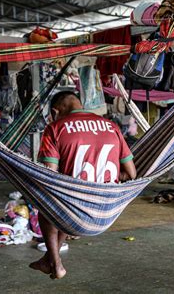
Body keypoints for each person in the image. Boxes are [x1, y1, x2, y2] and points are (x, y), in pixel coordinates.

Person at [30, 91, 136, 279]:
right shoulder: (111, 126)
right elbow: (131, 174)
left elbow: (50, 178)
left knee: (47, 204)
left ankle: (55, 263)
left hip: (76, 209)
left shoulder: (55, 128)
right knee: (66, 205)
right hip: (106, 212)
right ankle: (48, 259)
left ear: (55, 112)